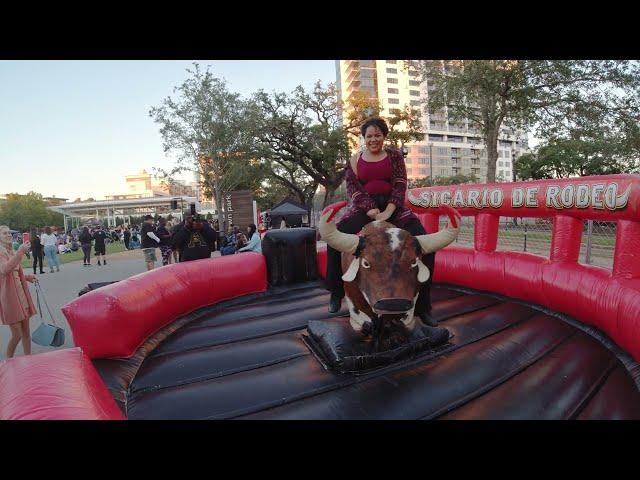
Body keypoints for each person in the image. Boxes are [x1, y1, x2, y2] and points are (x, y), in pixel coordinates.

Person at [325, 117, 445, 339]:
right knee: (335, 237)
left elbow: (400, 184)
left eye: (377, 135)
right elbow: (353, 188)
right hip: (364, 207)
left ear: (384, 136)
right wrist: (370, 210)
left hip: (394, 207)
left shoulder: (394, 156)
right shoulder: (354, 159)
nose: (373, 139)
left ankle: (423, 306)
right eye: (369, 136)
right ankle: (335, 291)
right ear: (364, 138)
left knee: (423, 242)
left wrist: (389, 211)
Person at [0, 225, 38, 359]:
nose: (9, 235)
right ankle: (8, 361)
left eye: (9, 233)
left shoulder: (10, 251)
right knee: (17, 334)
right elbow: (4, 270)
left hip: (21, 295)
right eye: (5, 233)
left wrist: (27, 278)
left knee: (26, 332)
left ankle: (29, 358)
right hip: (10, 298)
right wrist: (20, 252)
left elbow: (15, 272)